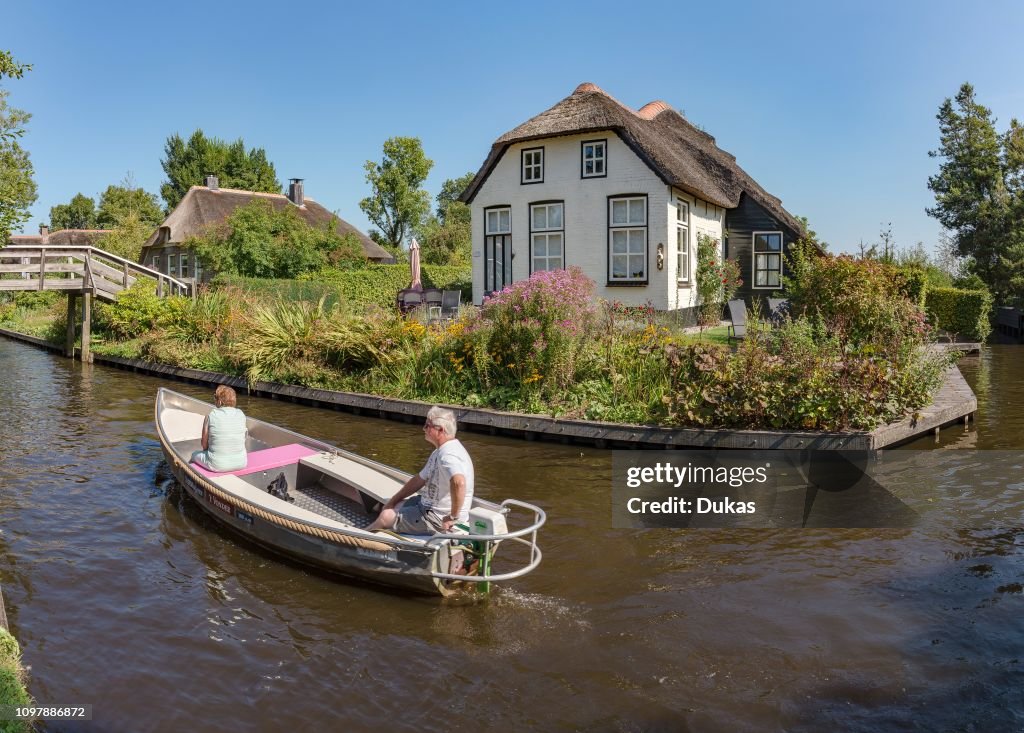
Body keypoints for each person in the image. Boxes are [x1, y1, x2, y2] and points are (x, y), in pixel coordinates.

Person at [367, 406, 475, 535]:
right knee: (392, 505)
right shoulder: (440, 451)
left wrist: (453, 517)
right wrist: (392, 501)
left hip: (436, 518)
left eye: (427, 426)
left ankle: (361, 536)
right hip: (427, 507)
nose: (423, 429)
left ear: (440, 430)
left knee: (386, 516)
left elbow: (459, 482)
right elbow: (419, 480)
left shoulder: (448, 455)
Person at [190, 385, 248, 472]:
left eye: (215, 399)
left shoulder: (211, 415)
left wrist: (208, 452)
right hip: (242, 463)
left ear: (220, 402)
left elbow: (204, 444)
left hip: (217, 465)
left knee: (194, 455)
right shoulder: (241, 414)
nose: (215, 401)